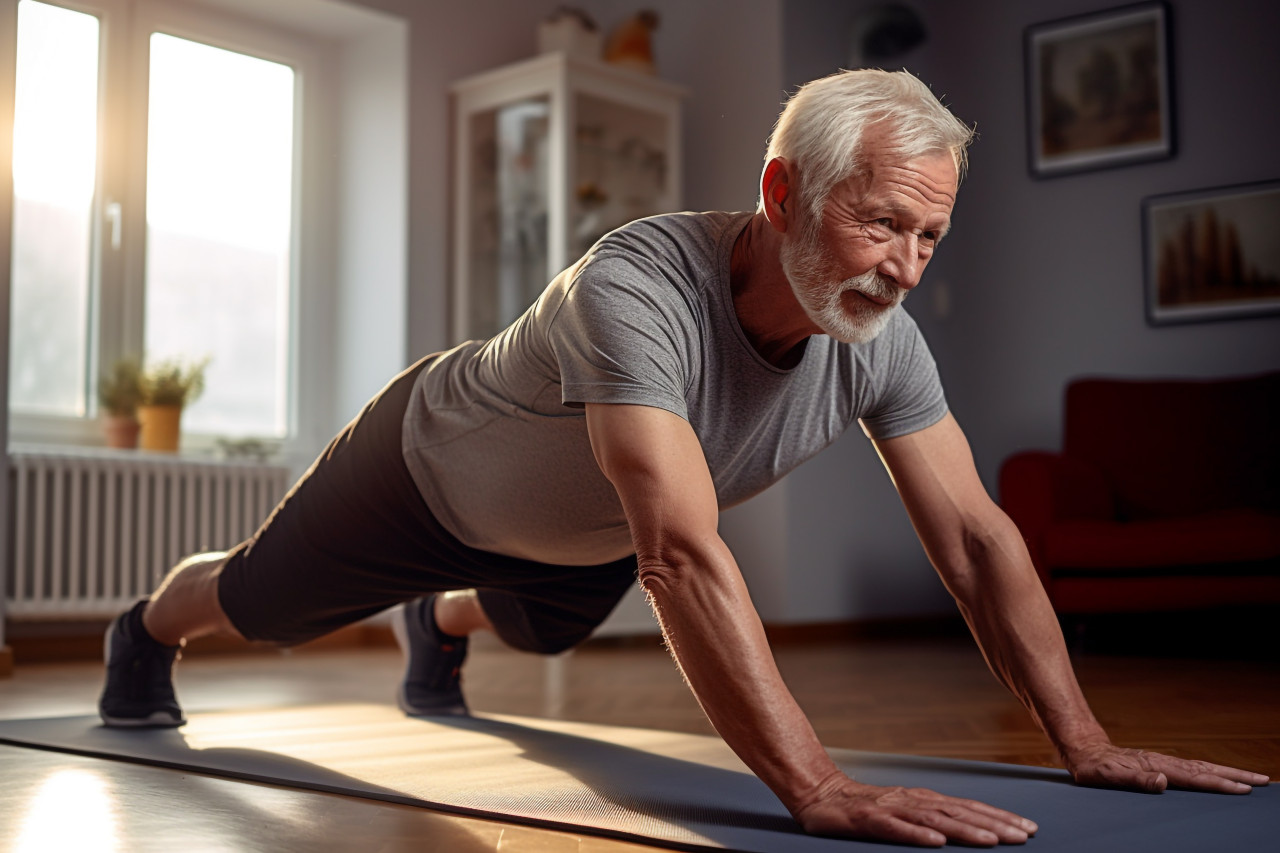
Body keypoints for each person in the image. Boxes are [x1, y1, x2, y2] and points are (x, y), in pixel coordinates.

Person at [99, 69, 1268, 847]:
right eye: (878, 223)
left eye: (928, 235)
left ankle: (438, 620)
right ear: (779, 191)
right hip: (420, 470)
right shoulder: (636, 284)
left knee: (539, 625)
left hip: (572, 532)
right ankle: (139, 628)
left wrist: (1085, 743)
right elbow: (680, 553)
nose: (905, 268)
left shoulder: (880, 340)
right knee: (262, 604)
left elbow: (974, 538)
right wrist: (814, 787)